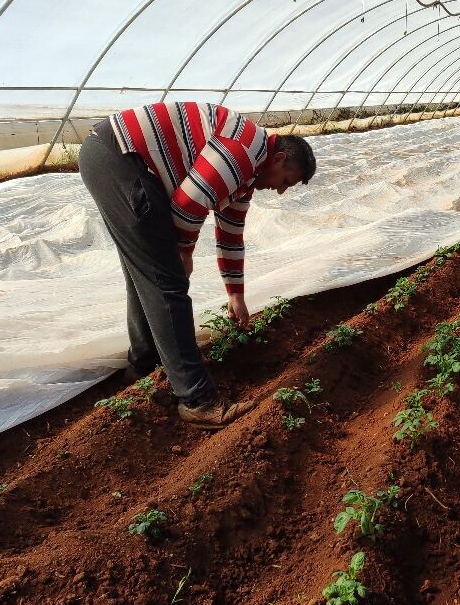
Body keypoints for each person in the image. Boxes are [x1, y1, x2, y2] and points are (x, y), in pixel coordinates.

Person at [78, 101, 315, 428]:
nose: (279, 190)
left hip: (112, 154)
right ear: (278, 158)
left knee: (149, 272)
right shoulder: (242, 153)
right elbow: (188, 204)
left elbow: (230, 236)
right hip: (120, 158)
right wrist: (185, 252)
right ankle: (197, 400)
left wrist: (236, 294)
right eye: (285, 180)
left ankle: (143, 365)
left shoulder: (247, 176)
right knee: (167, 281)